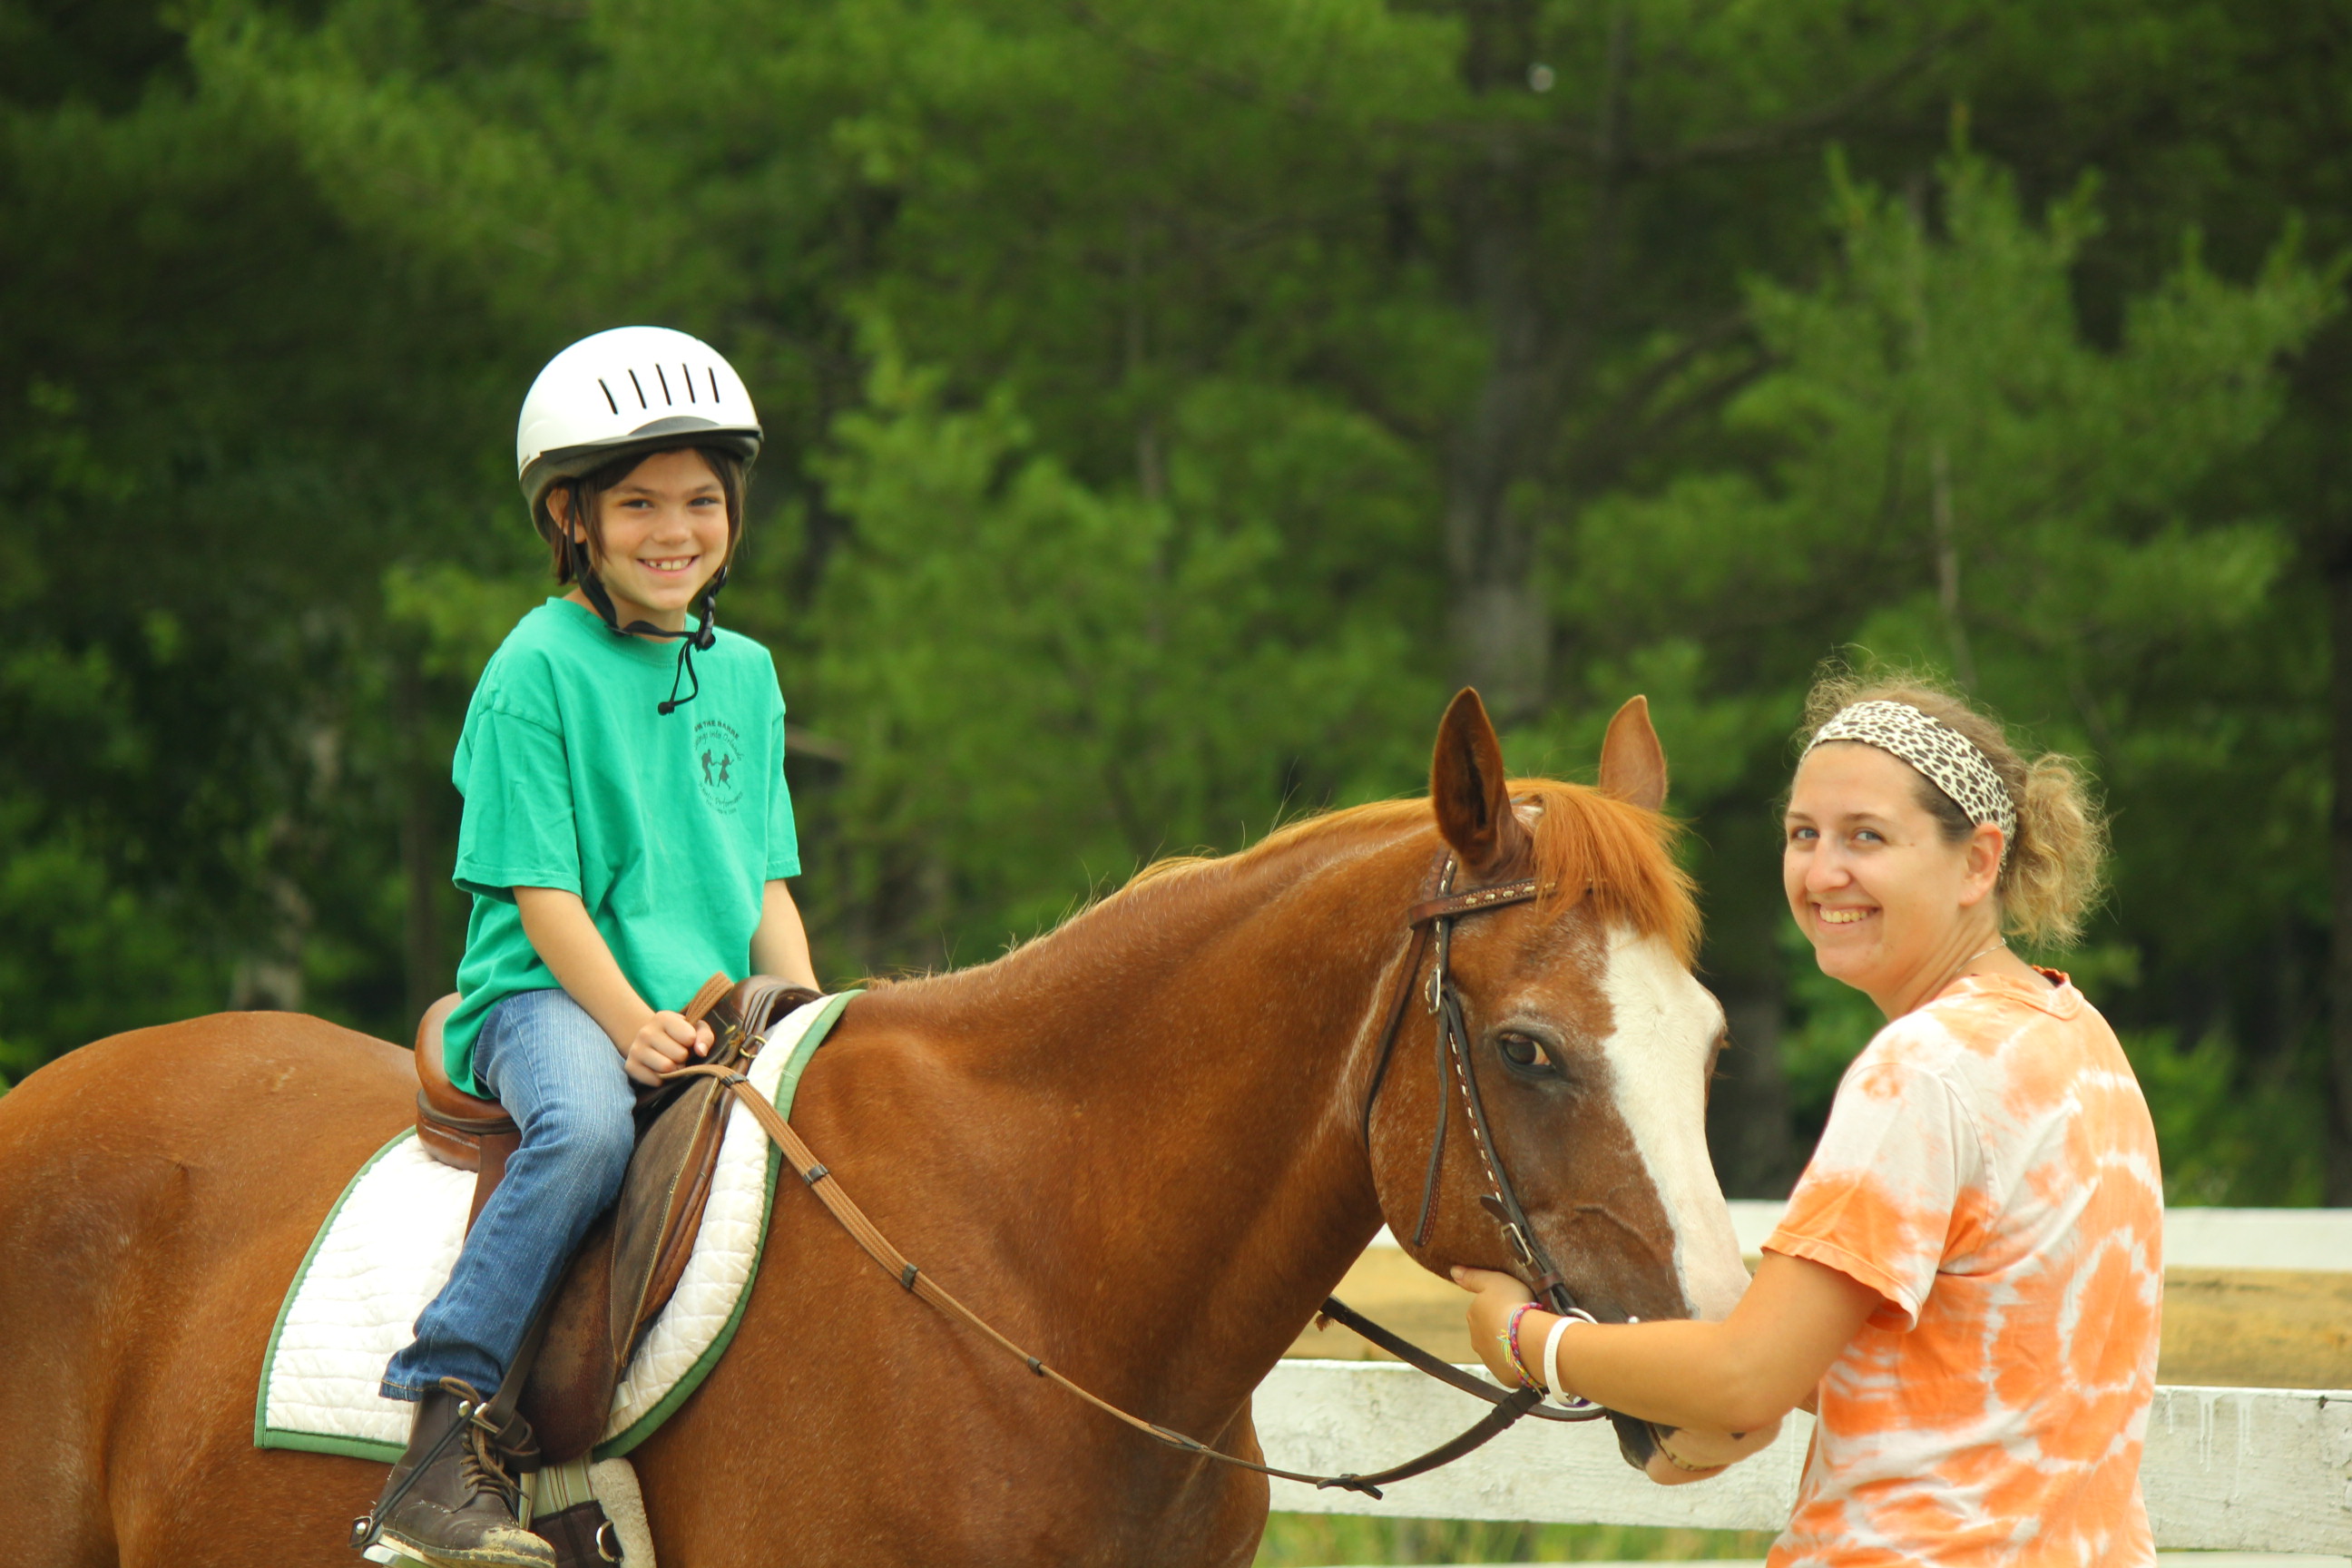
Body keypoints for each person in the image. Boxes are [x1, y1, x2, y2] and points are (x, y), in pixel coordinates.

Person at [1455, 673, 2162, 1565]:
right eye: (1803, 835)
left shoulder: (1922, 1069)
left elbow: (1745, 1380)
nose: (1824, 872)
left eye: (1867, 837)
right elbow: (1975, 1373)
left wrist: (1528, 1342)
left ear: (1979, 863)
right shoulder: (2081, 1042)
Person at [365, 327, 819, 1568]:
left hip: (712, 994)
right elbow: (546, 897)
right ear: (571, 519)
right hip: (546, 998)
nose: (675, 530)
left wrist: (820, 1017)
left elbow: (764, 877)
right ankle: (441, 1433)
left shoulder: (750, 674)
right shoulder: (532, 671)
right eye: (637, 504)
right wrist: (629, 1024)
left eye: (701, 500)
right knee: (587, 1132)